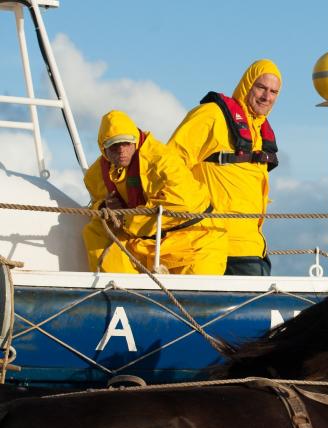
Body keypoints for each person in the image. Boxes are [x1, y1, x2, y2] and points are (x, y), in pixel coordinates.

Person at [168, 59, 281, 276]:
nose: (267, 97)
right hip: (207, 244)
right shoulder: (212, 115)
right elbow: (170, 162)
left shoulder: (261, 135)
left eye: (273, 92)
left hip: (251, 249)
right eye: (261, 88)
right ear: (247, 84)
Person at [82, 110, 226, 274]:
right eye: (114, 146)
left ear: (135, 141)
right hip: (148, 245)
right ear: (103, 149)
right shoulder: (96, 176)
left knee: (194, 297)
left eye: (126, 143)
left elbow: (181, 204)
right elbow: (94, 204)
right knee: (95, 230)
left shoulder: (161, 161)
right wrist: (103, 207)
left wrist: (126, 218)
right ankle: (122, 293)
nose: (121, 150)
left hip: (196, 240)